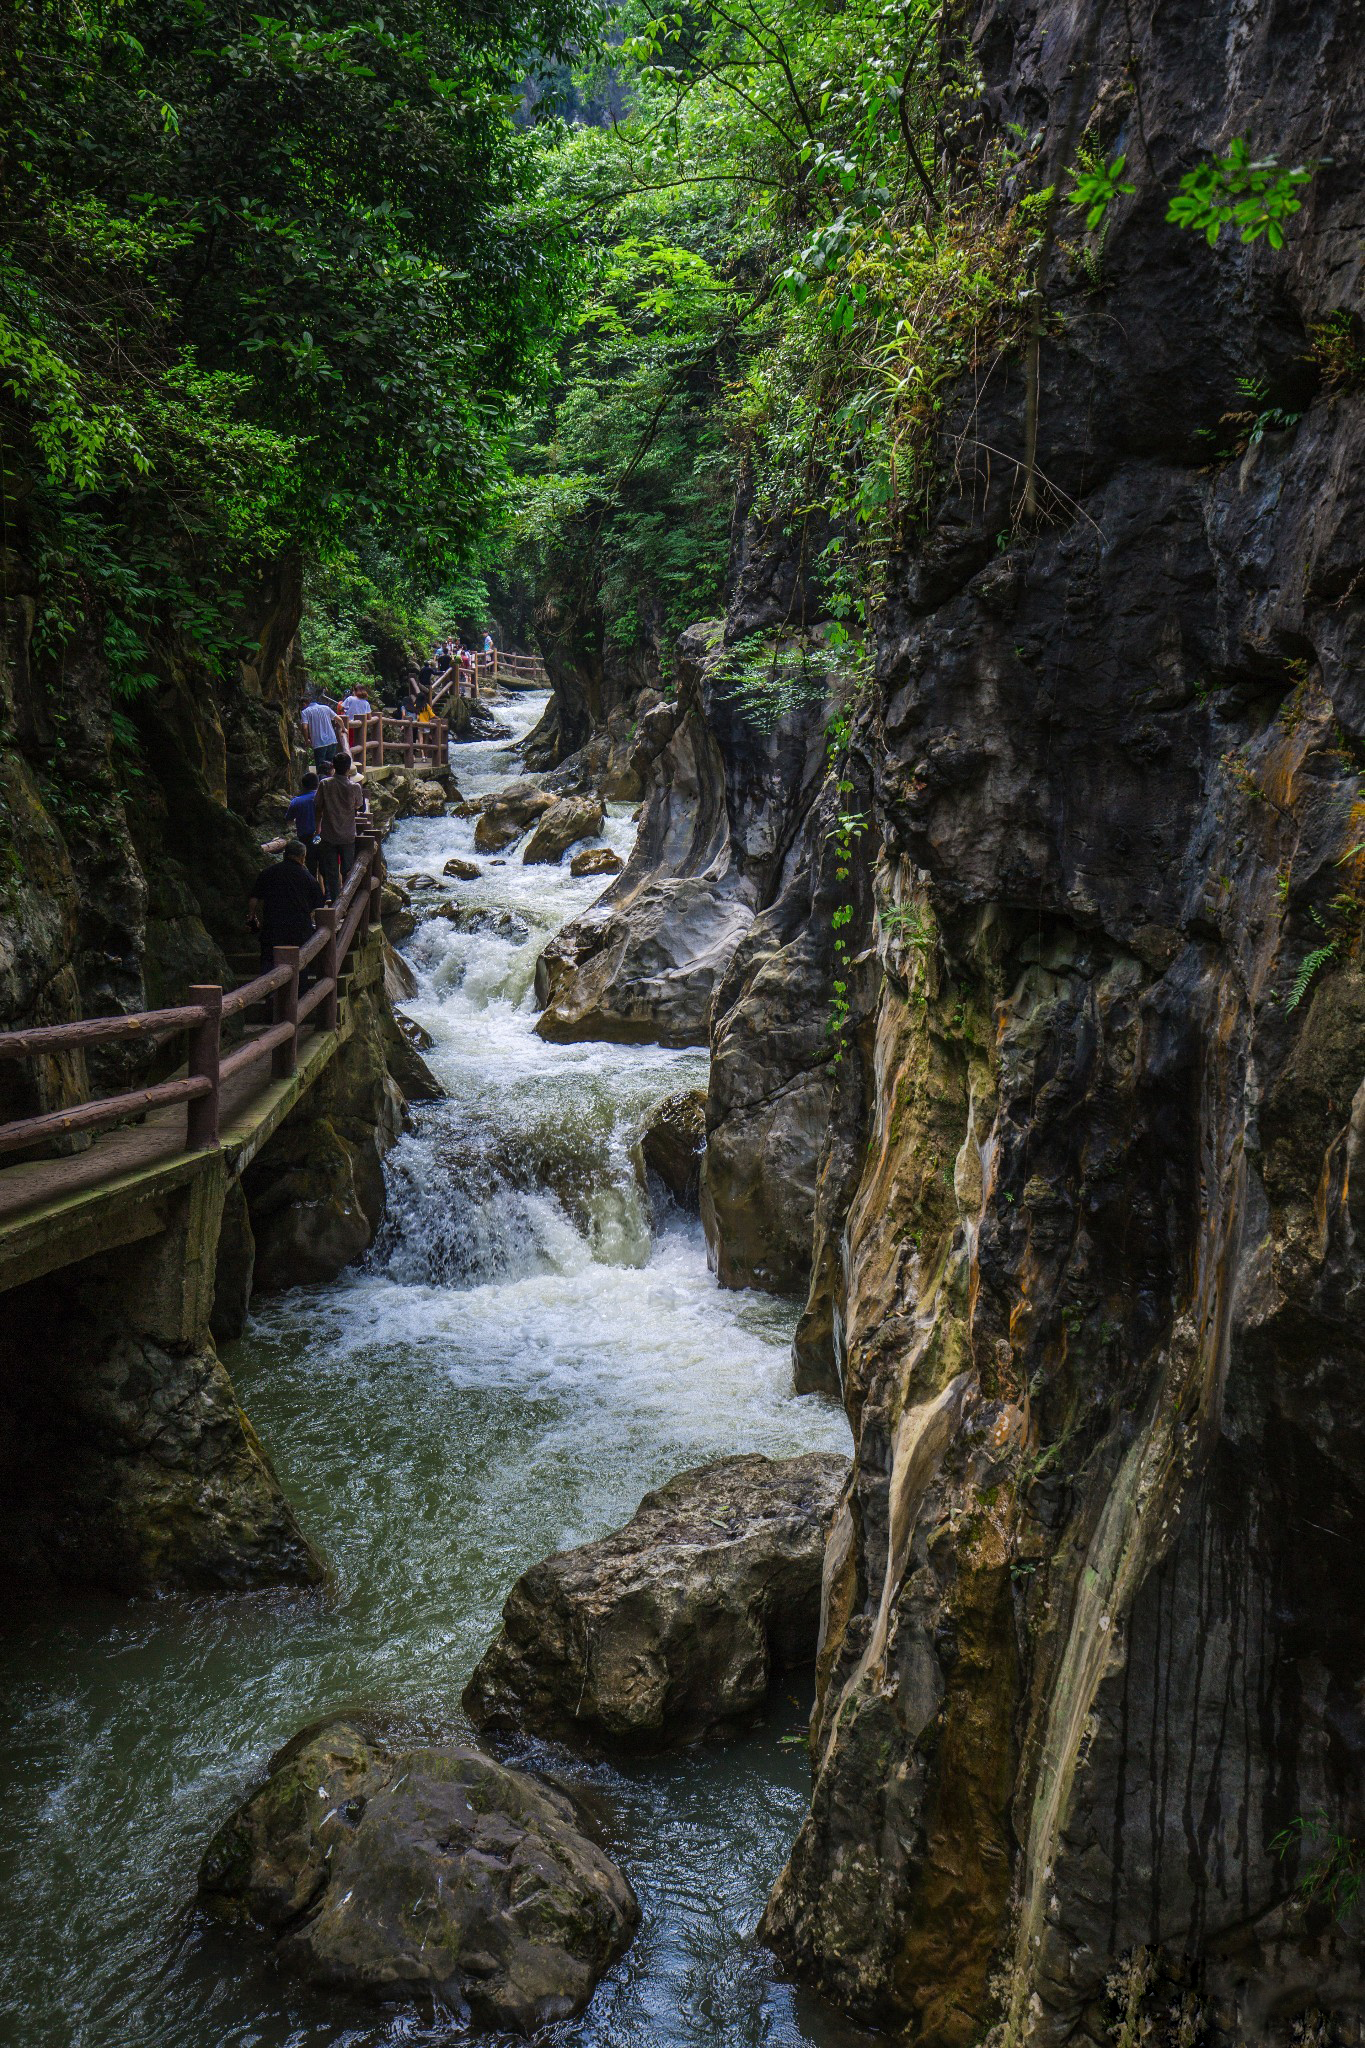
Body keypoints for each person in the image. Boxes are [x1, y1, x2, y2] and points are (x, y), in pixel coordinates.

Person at [247, 840, 325, 968]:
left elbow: (254, 898)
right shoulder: (307, 878)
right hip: (299, 929)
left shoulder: (268, 873)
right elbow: (318, 903)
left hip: (273, 927)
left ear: (284, 855)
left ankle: (268, 987)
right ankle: (300, 987)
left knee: (269, 964)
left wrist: (252, 916)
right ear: (302, 857)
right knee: (299, 965)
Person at [315, 751, 367, 901]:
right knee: (348, 870)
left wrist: (317, 826)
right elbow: (358, 805)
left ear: (333, 766)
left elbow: (318, 807)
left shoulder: (324, 784)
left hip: (328, 833)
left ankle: (336, 903)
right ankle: (347, 901)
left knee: (331, 871)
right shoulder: (354, 787)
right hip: (347, 833)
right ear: (347, 768)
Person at [286, 771, 324, 882]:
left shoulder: (297, 801)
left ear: (303, 785)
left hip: (306, 839)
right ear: (318, 784)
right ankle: (329, 896)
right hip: (323, 837)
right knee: (325, 868)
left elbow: (288, 820)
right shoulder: (323, 799)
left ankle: (313, 894)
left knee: (310, 869)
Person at [300, 689, 343, 772]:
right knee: (330, 766)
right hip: (332, 740)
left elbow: (305, 728)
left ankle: (322, 784)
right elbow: (339, 719)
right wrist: (344, 729)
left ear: (304, 703)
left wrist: (306, 740)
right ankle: (330, 783)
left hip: (319, 743)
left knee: (320, 767)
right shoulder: (326, 708)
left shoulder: (305, 712)